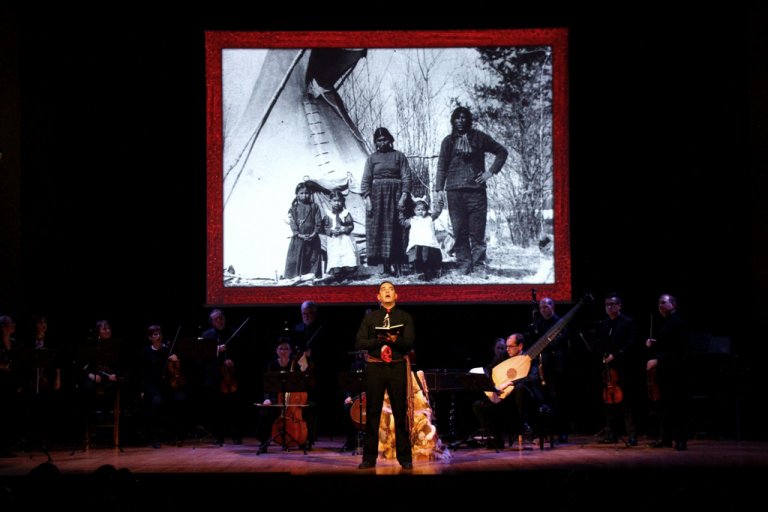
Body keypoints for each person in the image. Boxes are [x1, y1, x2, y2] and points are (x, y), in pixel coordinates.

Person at [434, 106, 508, 275]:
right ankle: (464, 265)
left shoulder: (479, 137)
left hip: (476, 192)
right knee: (459, 230)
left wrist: (490, 172)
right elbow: (441, 166)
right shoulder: (448, 141)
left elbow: (502, 152)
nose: (461, 121)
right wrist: (439, 189)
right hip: (454, 192)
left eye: (464, 117)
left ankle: (479, 265)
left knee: (477, 231)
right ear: (452, 121)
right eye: (457, 117)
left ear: (469, 120)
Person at [354, 280, 414, 469]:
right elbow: (359, 342)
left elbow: (409, 343)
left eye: (391, 289)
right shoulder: (370, 317)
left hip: (396, 367)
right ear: (378, 296)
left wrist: (395, 340)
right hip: (376, 367)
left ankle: (405, 457)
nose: (387, 292)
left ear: (396, 295)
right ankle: (369, 458)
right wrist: (378, 341)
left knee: (400, 412)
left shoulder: (405, 317)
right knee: (372, 412)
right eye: (383, 289)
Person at [472, 334, 543, 450]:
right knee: (478, 405)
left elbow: (532, 378)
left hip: (524, 398)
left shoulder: (531, 359)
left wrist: (511, 383)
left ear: (520, 346)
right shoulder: (503, 356)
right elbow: (488, 369)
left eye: (511, 346)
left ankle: (523, 425)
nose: (507, 349)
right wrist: (494, 385)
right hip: (504, 397)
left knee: (520, 387)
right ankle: (495, 439)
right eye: (506, 346)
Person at [361, 127, 412, 277]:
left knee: (398, 229)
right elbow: (365, 181)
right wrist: (367, 199)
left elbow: (406, 177)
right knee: (380, 230)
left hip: (396, 195)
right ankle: (386, 268)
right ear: (375, 142)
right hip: (377, 198)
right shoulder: (372, 158)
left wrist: (404, 196)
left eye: (384, 139)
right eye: (379, 140)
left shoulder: (399, 156)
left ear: (390, 140)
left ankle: (399, 266)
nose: (382, 143)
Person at [593, 293, 641, 446]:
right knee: (609, 403)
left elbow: (631, 343)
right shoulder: (603, 324)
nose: (609, 307)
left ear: (619, 306)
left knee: (627, 403)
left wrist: (615, 355)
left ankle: (632, 435)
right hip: (608, 369)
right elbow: (600, 343)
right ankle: (611, 434)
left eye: (612, 304)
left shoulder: (628, 323)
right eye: (607, 304)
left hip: (624, 367)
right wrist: (603, 354)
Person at [646, 293, 690, 451]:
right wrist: (654, 343)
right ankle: (665, 438)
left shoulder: (678, 323)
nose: (661, 305)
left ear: (673, 304)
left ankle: (681, 440)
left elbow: (679, 349)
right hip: (664, 371)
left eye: (664, 303)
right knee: (663, 406)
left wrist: (658, 360)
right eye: (659, 303)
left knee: (677, 407)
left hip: (675, 371)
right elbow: (666, 344)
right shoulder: (665, 323)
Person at [257, 337, 315, 449]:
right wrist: (267, 398)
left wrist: (307, 360)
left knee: (310, 409)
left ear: (290, 350)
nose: (283, 351)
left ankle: (305, 440)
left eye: (286, 349)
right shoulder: (272, 365)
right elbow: (267, 386)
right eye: (281, 348)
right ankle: (264, 442)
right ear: (277, 351)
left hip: (294, 399)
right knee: (265, 411)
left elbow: (307, 380)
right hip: (276, 398)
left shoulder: (296, 364)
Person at [527, 297, 570, 444]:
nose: (543, 310)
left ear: (553, 307)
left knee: (558, 400)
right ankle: (545, 431)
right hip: (542, 367)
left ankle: (562, 431)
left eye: (545, 307)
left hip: (557, 366)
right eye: (541, 307)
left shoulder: (560, 323)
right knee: (543, 400)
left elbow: (558, 342)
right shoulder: (537, 324)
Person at [199, 309, 245, 445]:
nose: (219, 321)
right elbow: (202, 357)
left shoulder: (234, 333)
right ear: (211, 322)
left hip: (230, 376)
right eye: (216, 319)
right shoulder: (206, 335)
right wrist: (217, 350)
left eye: (221, 318)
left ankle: (236, 435)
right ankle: (218, 436)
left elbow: (242, 352)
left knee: (233, 407)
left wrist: (233, 360)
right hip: (213, 376)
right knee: (216, 408)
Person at [138, 324, 187, 448]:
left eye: (160, 333)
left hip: (166, 384)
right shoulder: (146, 352)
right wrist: (142, 390)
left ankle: (176, 434)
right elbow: (143, 373)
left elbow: (174, 368)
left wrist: (175, 358)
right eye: (155, 334)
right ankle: (155, 437)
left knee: (180, 398)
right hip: (152, 385)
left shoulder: (167, 350)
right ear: (150, 338)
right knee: (157, 401)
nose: (159, 336)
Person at [284, 181, 324, 280]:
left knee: (313, 257)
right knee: (297, 258)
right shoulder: (293, 209)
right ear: (297, 194)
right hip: (299, 239)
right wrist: (298, 234)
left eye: (306, 193)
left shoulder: (314, 207)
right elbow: (292, 223)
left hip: (313, 239)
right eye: (301, 193)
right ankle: (296, 278)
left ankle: (312, 278)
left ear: (310, 194)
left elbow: (318, 221)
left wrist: (314, 233)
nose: (304, 195)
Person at [401, 198, 443, 281]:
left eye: (423, 210)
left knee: (425, 258)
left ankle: (427, 274)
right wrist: (400, 211)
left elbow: (437, 211)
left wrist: (440, 202)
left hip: (427, 243)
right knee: (417, 258)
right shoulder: (412, 220)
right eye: (418, 210)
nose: (421, 212)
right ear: (414, 210)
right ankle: (422, 272)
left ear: (427, 210)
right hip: (416, 243)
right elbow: (402, 222)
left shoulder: (430, 218)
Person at [323, 189, 358, 283]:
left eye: (339, 201)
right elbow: (325, 227)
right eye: (334, 201)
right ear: (330, 201)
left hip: (345, 239)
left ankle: (348, 275)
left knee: (347, 254)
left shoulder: (345, 214)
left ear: (342, 201)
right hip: (334, 241)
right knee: (335, 255)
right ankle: (337, 275)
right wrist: (331, 231)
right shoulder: (328, 215)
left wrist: (343, 230)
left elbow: (351, 225)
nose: (337, 203)